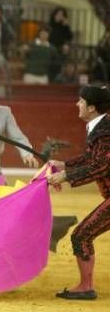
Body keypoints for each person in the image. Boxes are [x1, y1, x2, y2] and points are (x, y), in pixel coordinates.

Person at [46, 85, 110, 300]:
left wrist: (66, 176)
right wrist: (65, 165)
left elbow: (101, 165)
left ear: (91, 107)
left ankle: (86, 286)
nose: (77, 104)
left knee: (82, 235)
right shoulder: (100, 127)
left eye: (81, 101)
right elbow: (93, 159)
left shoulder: (104, 131)